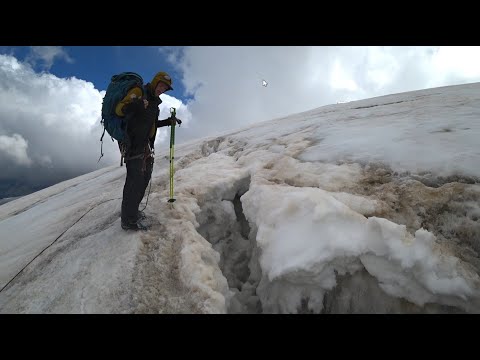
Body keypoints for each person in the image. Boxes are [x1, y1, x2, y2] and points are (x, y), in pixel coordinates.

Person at [116, 71, 182, 231]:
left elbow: (151, 124)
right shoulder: (139, 92)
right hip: (133, 145)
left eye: (165, 88)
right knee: (134, 182)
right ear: (155, 82)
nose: (162, 89)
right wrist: (137, 104)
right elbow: (119, 110)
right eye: (161, 85)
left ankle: (134, 212)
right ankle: (128, 221)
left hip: (145, 146)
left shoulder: (154, 103)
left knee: (143, 180)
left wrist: (168, 122)